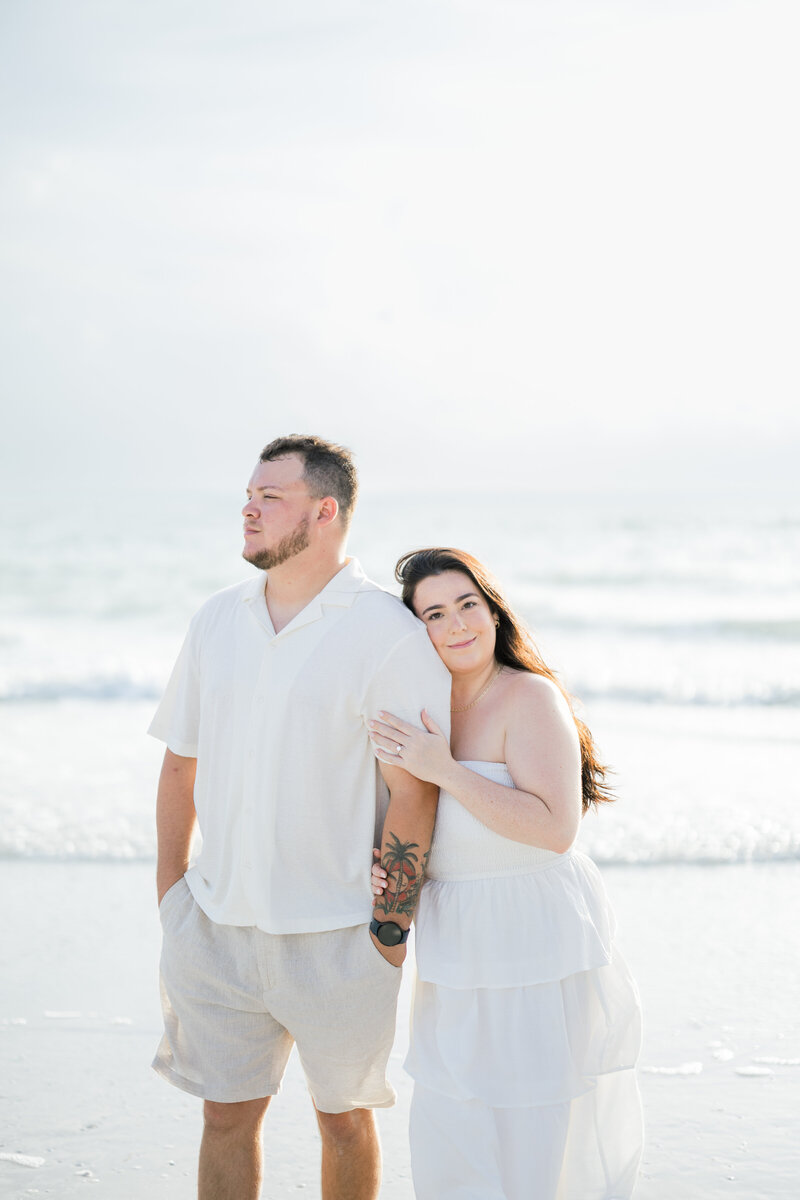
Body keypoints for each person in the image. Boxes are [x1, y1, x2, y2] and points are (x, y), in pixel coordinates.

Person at [148, 436, 450, 1200]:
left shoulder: (386, 633)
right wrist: (171, 895)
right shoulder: (217, 619)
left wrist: (388, 931)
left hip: (340, 937)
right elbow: (180, 761)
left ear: (324, 512)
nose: (249, 509)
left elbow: (414, 791)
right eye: (248, 495)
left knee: (343, 1123)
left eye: (270, 497)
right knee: (223, 1117)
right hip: (214, 928)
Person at [370, 547, 643, 1200]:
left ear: (494, 611)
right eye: (436, 614)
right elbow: (408, 818)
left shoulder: (529, 697)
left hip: (534, 934)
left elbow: (554, 829)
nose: (458, 624)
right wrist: (384, 872)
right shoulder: (420, 706)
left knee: (532, 1133)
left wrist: (447, 771)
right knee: (452, 1122)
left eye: (468, 604)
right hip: (456, 937)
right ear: (417, 631)